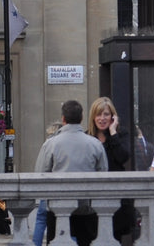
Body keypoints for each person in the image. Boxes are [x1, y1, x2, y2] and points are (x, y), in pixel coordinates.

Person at [32, 99, 108, 246]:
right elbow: (103, 174)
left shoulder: (51, 144)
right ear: (81, 118)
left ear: (63, 119)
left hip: (57, 207)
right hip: (86, 208)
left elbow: (40, 174)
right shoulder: (95, 144)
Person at [85, 97, 134, 243]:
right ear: (93, 117)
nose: (102, 118)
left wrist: (113, 133)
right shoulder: (87, 136)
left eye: (106, 114)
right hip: (93, 194)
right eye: (98, 115)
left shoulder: (120, 134)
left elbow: (123, 157)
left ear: (113, 116)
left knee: (115, 237)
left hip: (116, 194)